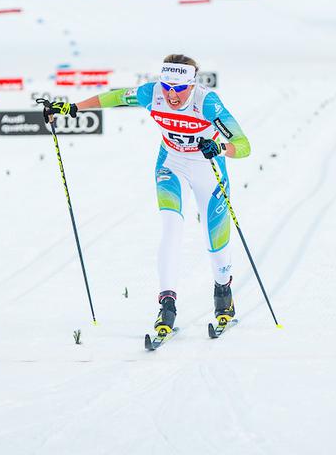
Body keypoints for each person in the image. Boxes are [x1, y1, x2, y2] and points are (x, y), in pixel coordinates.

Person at [43, 54, 251, 335]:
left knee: (214, 236)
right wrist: (72, 107)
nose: (172, 95)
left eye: (179, 89)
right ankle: (167, 305)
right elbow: (114, 97)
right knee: (171, 229)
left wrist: (222, 148)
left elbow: (244, 145)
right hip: (171, 164)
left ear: (191, 85)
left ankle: (223, 296)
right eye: (167, 87)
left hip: (207, 167)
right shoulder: (151, 94)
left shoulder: (207, 102)